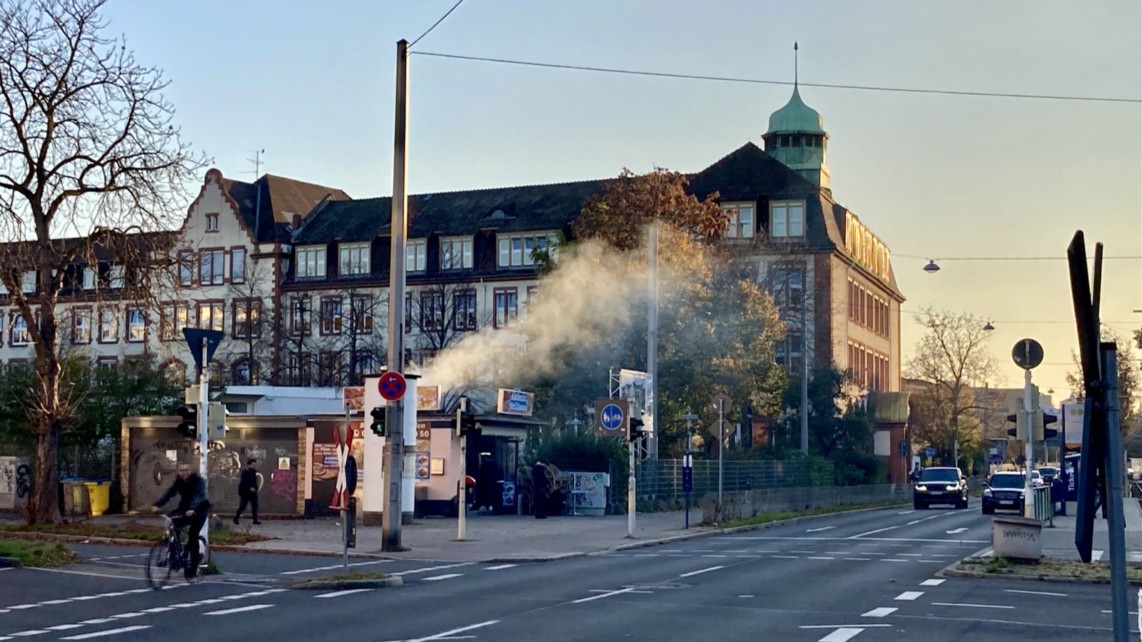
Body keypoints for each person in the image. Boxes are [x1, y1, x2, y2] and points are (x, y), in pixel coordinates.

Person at [151, 462, 211, 578]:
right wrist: (157, 505)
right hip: (184, 509)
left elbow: (199, 496)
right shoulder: (179, 481)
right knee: (173, 524)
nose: (183, 473)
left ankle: (193, 568)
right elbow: (170, 493)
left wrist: (193, 509)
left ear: (191, 471)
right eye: (181, 470)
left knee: (193, 535)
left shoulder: (198, 481)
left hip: (199, 510)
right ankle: (174, 557)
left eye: (186, 470)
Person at [234, 458, 261, 525]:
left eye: (254, 464)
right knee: (243, 506)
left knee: (255, 506)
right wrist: (249, 488)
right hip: (245, 493)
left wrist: (255, 488)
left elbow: (254, 482)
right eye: (253, 464)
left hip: (253, 493)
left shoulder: (254, 472)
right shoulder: (245, 472)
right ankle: (236, 518)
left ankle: (255, 520)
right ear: (249, 464)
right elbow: (244, 482)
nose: (254, 465)